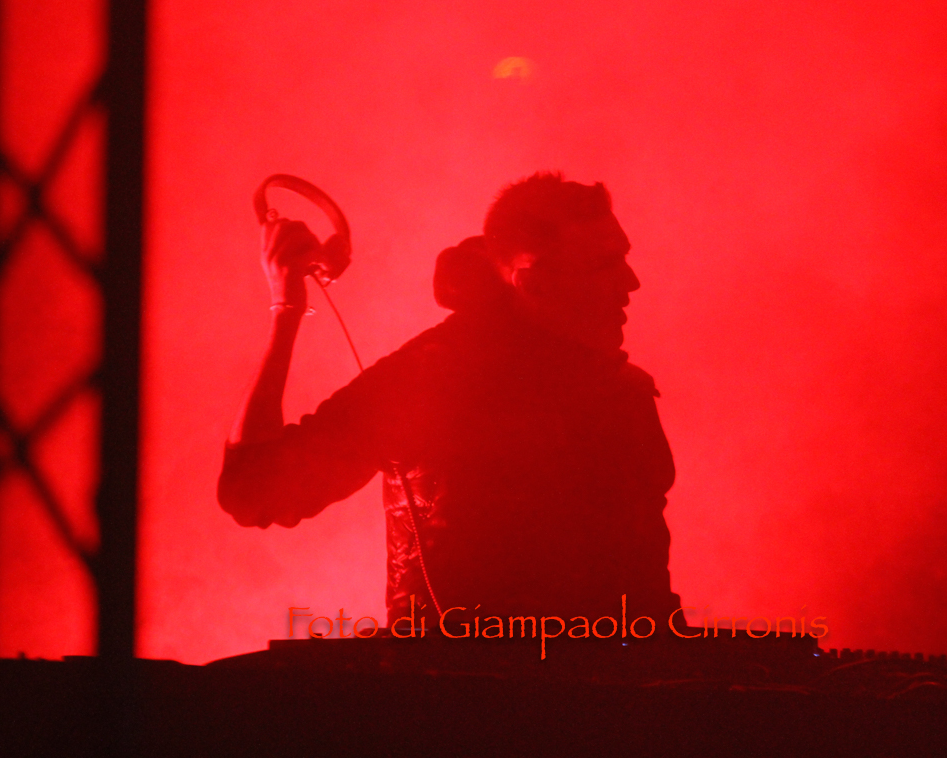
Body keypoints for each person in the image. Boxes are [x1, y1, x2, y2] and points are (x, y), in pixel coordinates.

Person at [218, 172, 682, 630]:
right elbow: (255, 491)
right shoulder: (435, 376)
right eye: (604, 265)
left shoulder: (623, 392)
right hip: (463, 678)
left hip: (612, 673)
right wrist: (286, 309)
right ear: (533, 283)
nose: (632, 282)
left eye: (623, 258)